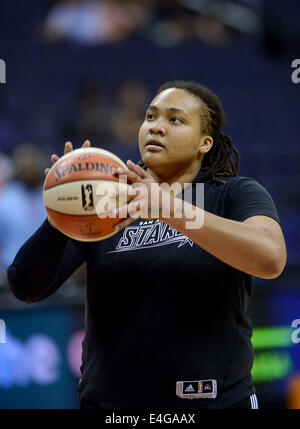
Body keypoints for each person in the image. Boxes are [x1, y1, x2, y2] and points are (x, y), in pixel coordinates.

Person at [6, 80, 286, 410]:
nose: (156, 127)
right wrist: (61, 215)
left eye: (175, 119)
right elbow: (25, 286)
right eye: (150, 117)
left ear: (204, 143)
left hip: (213, 402)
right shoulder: (108, 201)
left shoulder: (233, 193)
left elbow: (270, 259)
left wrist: (170, 208)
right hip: (111, 407)